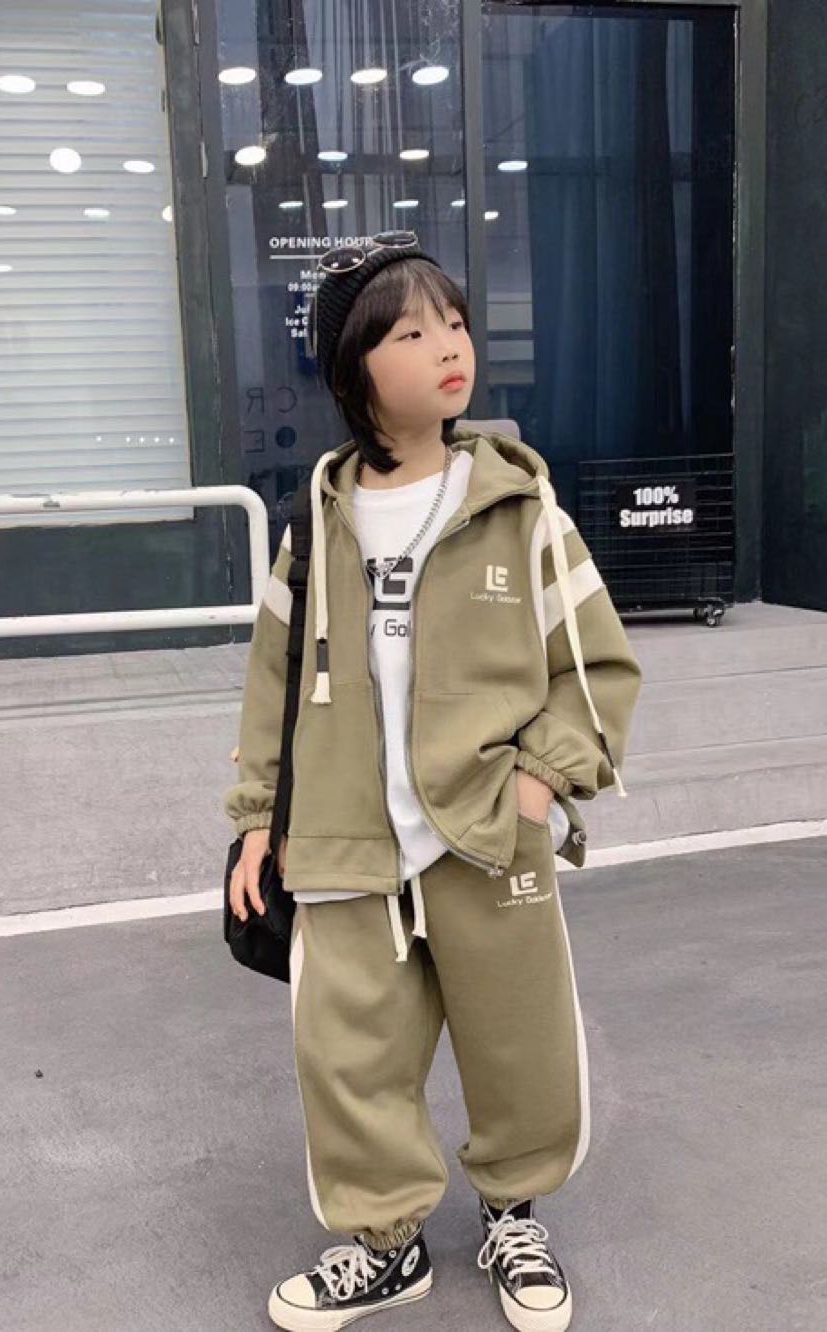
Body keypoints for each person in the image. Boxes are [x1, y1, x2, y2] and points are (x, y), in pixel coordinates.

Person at [224, 232, 643, 1332]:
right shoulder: (312, 527)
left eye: (453, 323)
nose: (449, 347)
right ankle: (385, 1242)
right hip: (345, 840)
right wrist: (259, 820)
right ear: (354, 367)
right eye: (410, 333)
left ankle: (513, 1213)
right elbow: (272, 688)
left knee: (520, 1043)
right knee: (348, 1054)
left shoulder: (521, 508)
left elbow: (594, 667)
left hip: (486, 834)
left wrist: (539, 786)